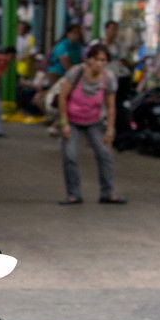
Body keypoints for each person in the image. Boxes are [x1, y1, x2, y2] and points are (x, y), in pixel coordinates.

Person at [57, 44, 126, 205]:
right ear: (89, 59)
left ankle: (107, 193)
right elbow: (62, 97)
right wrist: (64, 122)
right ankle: (74, 194)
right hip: (72, 120)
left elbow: (110, 106)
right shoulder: (76, 72)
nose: (100, 63)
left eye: (103, 60)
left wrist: (110, 129)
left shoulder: (108, 78)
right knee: (70, 155)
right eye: (97, 59)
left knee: (105, 154)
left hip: (94, 121)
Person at [89, 21, 133, 133]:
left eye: (116, 29)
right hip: (98, 79)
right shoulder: (96, 44)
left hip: (115, 79)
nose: (114, 32)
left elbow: (124, 61)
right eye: (112, 29)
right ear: (106, 29)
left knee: (112, 104)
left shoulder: (118, 46)